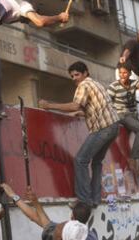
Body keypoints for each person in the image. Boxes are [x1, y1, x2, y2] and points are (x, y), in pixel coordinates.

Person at [39, 61, 119, 207]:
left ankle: (83, 200)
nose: (74, 78)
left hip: (103, 128)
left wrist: (49, 105)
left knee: (80, 160)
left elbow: (75, 104)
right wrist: (81, 113)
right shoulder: (96, 84)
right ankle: (95, 199)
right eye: (72, 76)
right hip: (113, 126)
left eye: (77, 74)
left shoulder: (84, 85)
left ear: (85, 73)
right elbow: (93, 107)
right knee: (96, 162)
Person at [0, 183, 97, 240]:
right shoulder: (92, 237)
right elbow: (45, 222)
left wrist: (13, 195)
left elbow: (35, 217)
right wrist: (35, 202)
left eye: (60, 227)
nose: (58, 226)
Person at [108, 63, 139, 183]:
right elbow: (106, 102)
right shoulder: (114, 86)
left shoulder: (133, 83)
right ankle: (133, 158)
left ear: (129, 73)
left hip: (133, 115)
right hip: (121, 114)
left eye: (125, 73)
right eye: (120, 73)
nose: (122, 75)